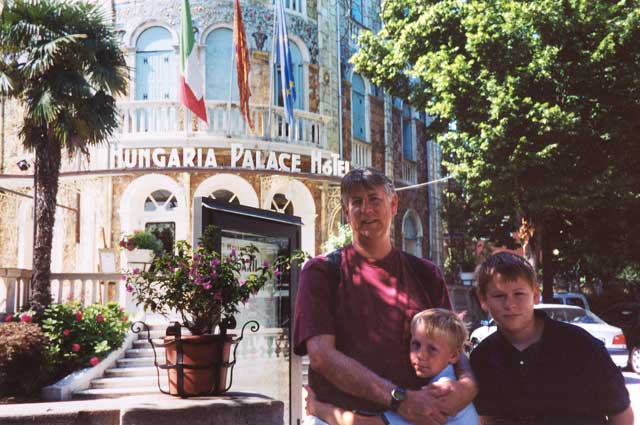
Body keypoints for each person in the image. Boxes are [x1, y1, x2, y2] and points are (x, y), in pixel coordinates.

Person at [293, 167, 477, 425]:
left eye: (374, 199)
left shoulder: (425, 274)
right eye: (356, 202)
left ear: (393, 204)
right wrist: (399, 400)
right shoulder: (322, 272)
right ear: (346, 213)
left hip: (418, 418)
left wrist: (467, 385)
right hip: (345, 419)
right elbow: (322, 356)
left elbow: (455, 345)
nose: (366, 209)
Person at [470, 251, 634, 425]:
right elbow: (484, 419)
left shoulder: (581, 346)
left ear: (535, 295)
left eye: (519, 294)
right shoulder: (483, 358)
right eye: (499, 296)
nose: (510, 304)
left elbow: (622, 415)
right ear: (483, 300)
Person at [305, 308, 479, 425]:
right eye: (416, 344)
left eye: (432, 349)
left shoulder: (441, 391)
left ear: (454, 355)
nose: (420, 355)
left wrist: (317, 408)